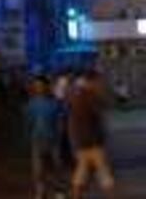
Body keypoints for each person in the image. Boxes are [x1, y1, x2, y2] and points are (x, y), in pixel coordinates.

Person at [69, 71, 114, 199]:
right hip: (92, 141)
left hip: (81, 141)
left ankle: (76, 195)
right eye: (98, 81)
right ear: (92, 81)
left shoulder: (77, 95)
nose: (100, 84)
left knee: (82, 171)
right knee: (103, 171)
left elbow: (73, 122)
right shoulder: (89, 96)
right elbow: (100, 110)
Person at [26, 76, 62, 199]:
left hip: (53, 141)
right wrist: (29, 138)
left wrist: (59, 138)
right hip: (37, 140)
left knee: (55, 167)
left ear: (47, 87)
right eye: (36, 86)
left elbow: (59, 122)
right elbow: (28, 123)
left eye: (41, 85)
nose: (39, 88)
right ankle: (41, 192)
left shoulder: (54, 103)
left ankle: (58, 190)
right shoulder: (31, 104)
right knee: (38, 170)